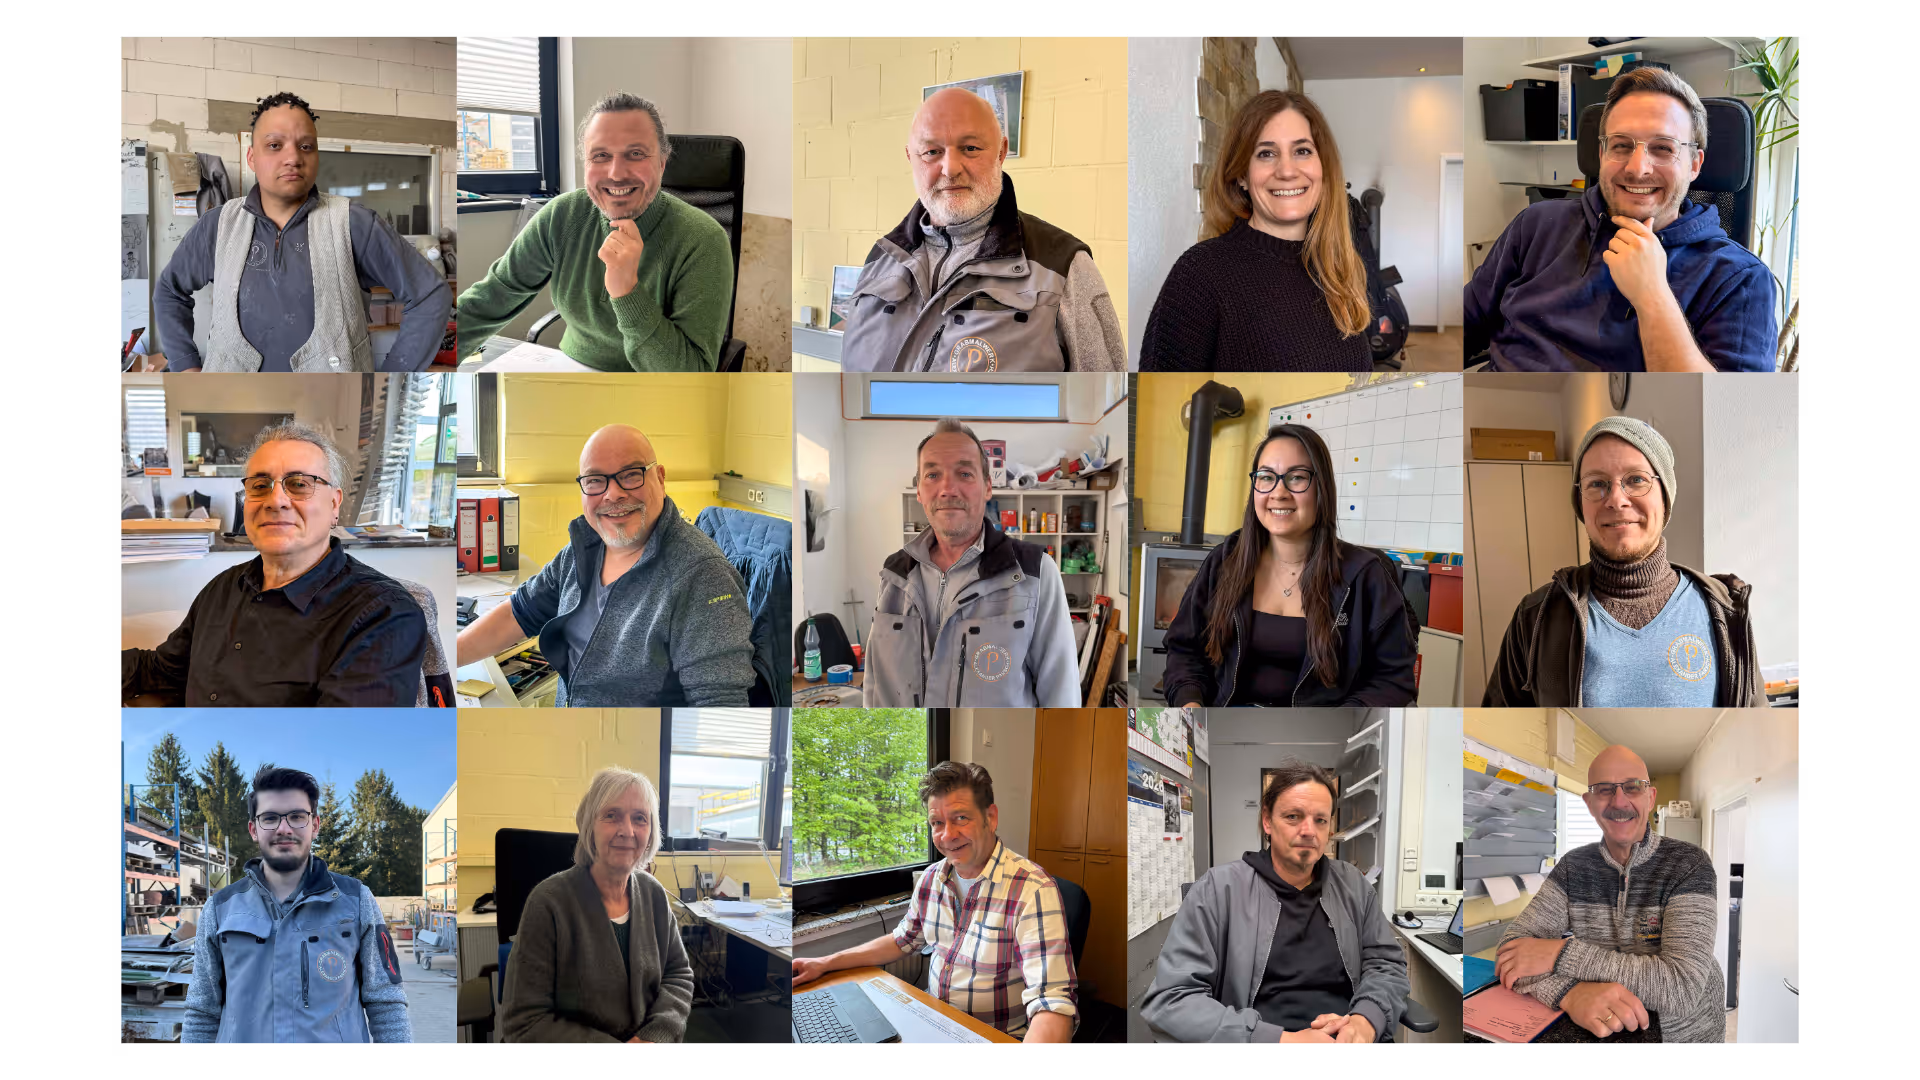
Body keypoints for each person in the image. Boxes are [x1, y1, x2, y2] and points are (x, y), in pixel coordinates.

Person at [1465, 67, 1777, 372]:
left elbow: (1722, 411)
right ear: (1601, 154)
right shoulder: (1535, 225)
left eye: (1663, 148)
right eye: (1621, 145)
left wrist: (1652, 295)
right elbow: (1466, 323)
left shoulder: (1739, 279)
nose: (1637, 168)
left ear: (1694, 164)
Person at [120, 421, 431, 707]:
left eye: (298, 484)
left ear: (334, 504)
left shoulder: (385, 615)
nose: (275, 500)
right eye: (259, 485)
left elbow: (338, 741)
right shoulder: (222, 588)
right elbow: (162, 669)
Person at [454, 424, 756, 705]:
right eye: (595, 480)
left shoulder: (703, 576)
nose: (613, 494)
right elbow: (519, 613)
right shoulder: (584, 548)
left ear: (660, 478)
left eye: (631, 475)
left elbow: (720, 705)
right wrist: (445, 656)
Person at [152, 92, 451, 372]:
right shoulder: (218, 225)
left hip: (331, 409)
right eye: (274, 145)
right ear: (252, 157)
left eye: (306, 146)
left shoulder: (354, 224)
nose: (293, 157)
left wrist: (392, 379)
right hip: (231, 405)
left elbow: (430, 296)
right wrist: (184, 366)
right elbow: (168, 291)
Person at [838, 87, 1124, 372]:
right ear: (910, 158)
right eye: (931, 152)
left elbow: (1105, 404)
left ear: (1001, 152)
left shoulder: (1064, 267)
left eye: (970, 148)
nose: (950, 168)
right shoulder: (880, 258)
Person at [1483, 416, 1762, 707]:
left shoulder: (1724, 609)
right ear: (1580, 503)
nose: (1616, 499)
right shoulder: (1535, 616)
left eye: (1637, 480)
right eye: (1597, 483)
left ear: (1665, 497)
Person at [791, 762, 1076, 1042]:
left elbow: (1051, 1003)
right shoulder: (931, 879)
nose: (947, 835)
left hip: (994, 1035)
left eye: (961, 818)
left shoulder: (1033, 890)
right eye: (937, 823)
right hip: (933, 1023)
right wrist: (824, 963)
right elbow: (902, 940)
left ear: (991, 818)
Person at [456, 93, 733, 371]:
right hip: (569, 371)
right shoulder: (561, 216)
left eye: (635, 154)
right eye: (600, 156)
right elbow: (492, 296)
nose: (615, 173)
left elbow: (690, 375)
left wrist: (627, 293)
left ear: (662, 162)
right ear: (586, 164)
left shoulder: (703, 241)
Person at [1142, 759, 1406, 1043]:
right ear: (1267, 821)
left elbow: (1386, 964)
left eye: (1320, 820)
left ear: (1330, 828)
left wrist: (1366, 1019)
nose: (1308, 830)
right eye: (1293, 816)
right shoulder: (1218, 889)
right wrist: (1282, 1040)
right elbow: (1171, 999)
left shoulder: (1353, 885)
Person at [1161, 424, 1417, 707]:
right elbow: (1185, 650)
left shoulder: (1365, 576)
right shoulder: (1224, 562)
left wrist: (1340, 730)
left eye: (1296, 478)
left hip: (1324, 738)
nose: (1278, 492)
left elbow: (1392, 680)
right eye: (1266, 477)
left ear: (1322, 489)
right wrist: (1191, 706)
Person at [1494, 745, 1725, 1043]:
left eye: (1633, 787)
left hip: (1687, 1035)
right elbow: (1510, 950)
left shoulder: (1689, 864)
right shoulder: (1572, 867)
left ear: (1650, 797)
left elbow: (1681, 988)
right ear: (1589, 803)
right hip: (1603, 1030)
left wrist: (1559, 954)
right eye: (1604, 790)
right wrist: (1569, 993)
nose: (1619, 801)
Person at [1140, 90, 1371, 372]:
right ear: (1241, 176)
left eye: (1302, 151)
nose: (1287, 170)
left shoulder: (1337, 270)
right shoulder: (1201, 275)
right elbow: (1161, 402)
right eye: (1266, 153)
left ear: (1323, 168)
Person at [862, 417, 1080, 706]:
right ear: (918, 491)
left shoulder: (1035, 572)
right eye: (932, 475)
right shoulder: (894, 575)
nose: (947, 489)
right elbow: (875, 686)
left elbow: (1062, 698)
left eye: (964, 474)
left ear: (988, 487)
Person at [185, 767, 410, 1043]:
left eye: (296, 817)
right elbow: (201, 1012)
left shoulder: (357, 901)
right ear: (254, 830)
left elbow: (386, 1004)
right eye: (270, 818)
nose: (284, 828)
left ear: (314, 825)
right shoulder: (220, 909)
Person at [500, 767, 694, 1043]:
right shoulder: (548, 903)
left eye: (640, 818)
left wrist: (655, 1035)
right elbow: (525, 1022)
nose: (627, 831)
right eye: (612, 816)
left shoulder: (654, 895)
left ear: (651, 832)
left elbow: (679, 974)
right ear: (589, 825)